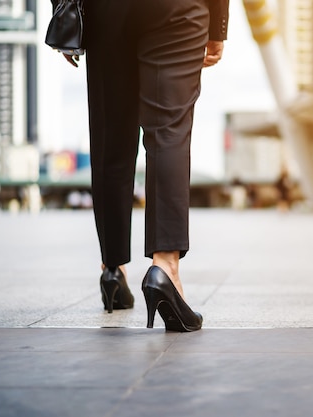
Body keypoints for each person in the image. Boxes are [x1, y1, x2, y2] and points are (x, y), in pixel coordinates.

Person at [60, 0, 229, 332]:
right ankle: (165, 267)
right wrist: (217, 25)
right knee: (169, 129)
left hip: (107, 10)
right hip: (178, 9)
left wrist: (65, 12)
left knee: (111, 136)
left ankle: (112, 268)